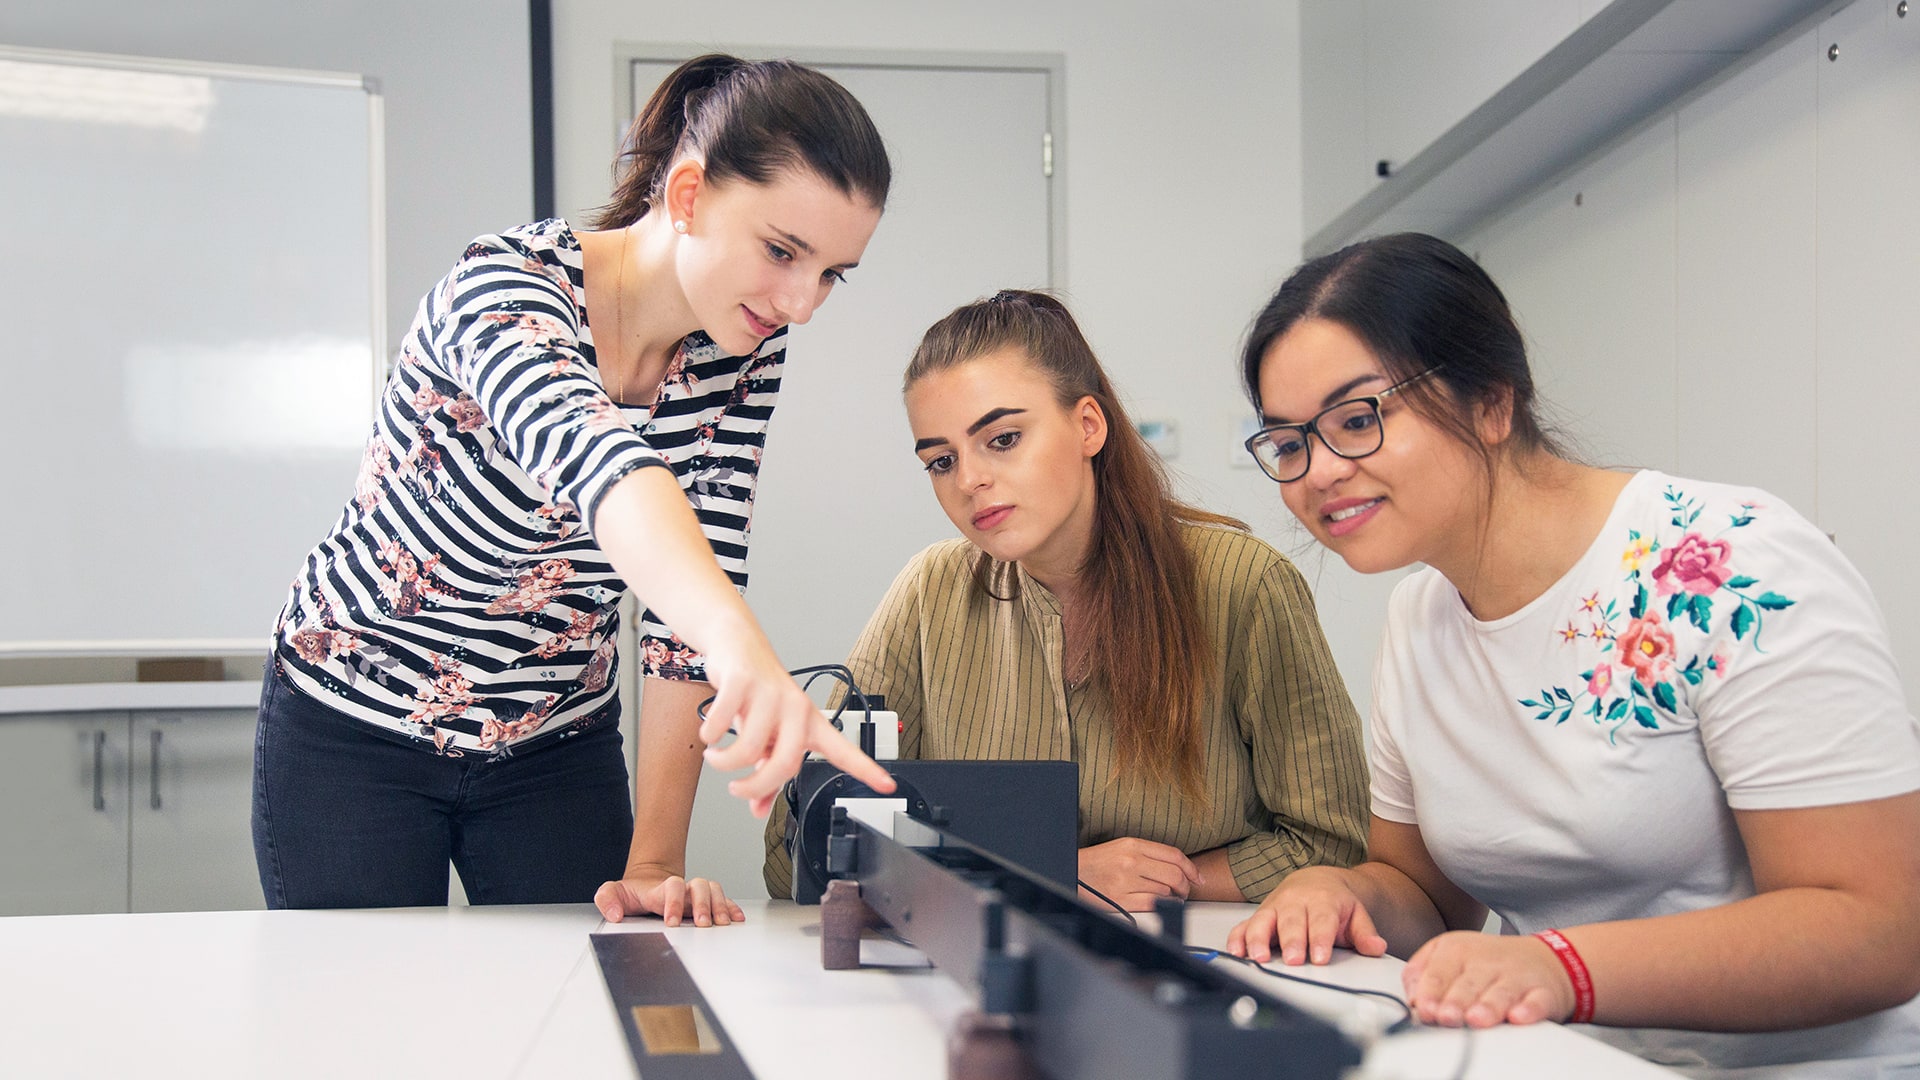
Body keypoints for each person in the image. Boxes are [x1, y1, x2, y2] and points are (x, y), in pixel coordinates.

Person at [1226, 232, 1920, 1076]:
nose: (1319, 472)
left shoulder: (1726, 563)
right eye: (1289, 442)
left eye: (1358, 418)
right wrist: (1344, 892)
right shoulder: (1422, 615)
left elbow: (1878, 929)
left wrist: (1561, 968)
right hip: (1560, 1057)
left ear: (1491, 401)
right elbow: (1430, 901)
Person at [253, 54, 897, 924]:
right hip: (358, 718)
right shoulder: (503, 289)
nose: (802, 302)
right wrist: (745, 653)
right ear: (688, 195)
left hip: (552, 737)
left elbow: (688, 595)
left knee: (591, 997)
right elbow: (603, 468)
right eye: (783, 252)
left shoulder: (741, 351)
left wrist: (657, 858)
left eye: (830, 273)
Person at [762, 290, 1370, 909]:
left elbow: (1330, 845)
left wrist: (1160, 884)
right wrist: (1053, 872)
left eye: (1001, 440)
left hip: (1196, 965)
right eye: (941, 461)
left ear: (1088, 426)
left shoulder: (1243, 583)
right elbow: (797, 860)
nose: (969, 480)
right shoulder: (926, 594)